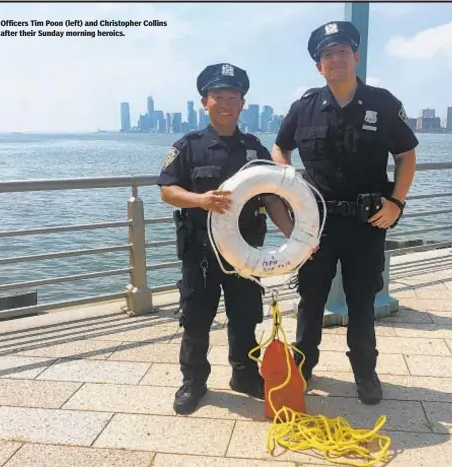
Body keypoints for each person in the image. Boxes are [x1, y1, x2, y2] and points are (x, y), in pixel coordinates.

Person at [271, 21, 418, 405]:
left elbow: (406, 156)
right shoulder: (304, 107)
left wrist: (396, 203)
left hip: (367, 223)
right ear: (318, 66)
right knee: (311, 299)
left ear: (355, 56)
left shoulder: (383, 104)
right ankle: (302, 367)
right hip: (316, 224)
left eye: (342, 52)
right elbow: (279, 149)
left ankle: (365, 372)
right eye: (326, 55)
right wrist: (289, 188)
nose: (335, 60)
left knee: (361, 302)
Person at [157, 63, 287, 415]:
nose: (225, 103)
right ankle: (194, 381)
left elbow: (272, 197)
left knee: (246, 316)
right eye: (218, 97)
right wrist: (199, 200)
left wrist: (297, 237)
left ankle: (244, 376)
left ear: (243, 103)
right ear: (205, 102)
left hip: (245, 251)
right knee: (197, 319)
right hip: (200, 251)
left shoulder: (255, 149)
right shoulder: (188, 146)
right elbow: (167, 190)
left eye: (232, 97)